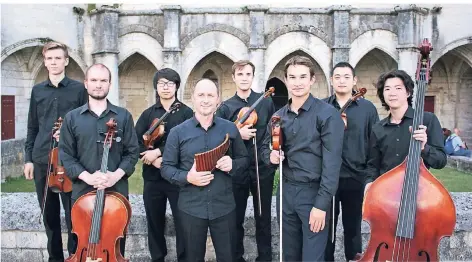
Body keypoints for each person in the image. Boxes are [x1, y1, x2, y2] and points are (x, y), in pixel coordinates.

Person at [261, 55, 345, 261]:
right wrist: (270, 156)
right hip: (286, 192)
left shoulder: (327, 114)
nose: (297, 83)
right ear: (286, 80)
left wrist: (321, 205)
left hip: (314, 193)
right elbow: (264, 148)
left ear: (312, 80)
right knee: (289, 255)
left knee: (313, 257)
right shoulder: (278, 116)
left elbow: (332, 165)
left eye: (302, 77)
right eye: (292, 77)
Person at [161, 78, 249, 262]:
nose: (206, 100)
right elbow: (166, 168)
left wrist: (233, 164)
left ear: (218, 99)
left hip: (224, 207)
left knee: (228, 258)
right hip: (191, 208)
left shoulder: (230, 128)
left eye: (210, 95)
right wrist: (187, 177)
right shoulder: (178, 132)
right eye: (201, 95)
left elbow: (244, 160)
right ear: (192, 98)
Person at [59, 63, 139, 257]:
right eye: (93, 80)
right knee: (81, 243)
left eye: (103, 80)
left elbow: (132, 152)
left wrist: (115, 176)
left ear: (109, 84)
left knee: (115, 245)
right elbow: (66, 156)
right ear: (86, 84)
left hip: (116, 195)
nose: (98, 84)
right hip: (82, 195)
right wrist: (88, 177)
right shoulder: (71, 118)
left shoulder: (124, 116)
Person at [23, 41, 88, 262]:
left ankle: (74, 256)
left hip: (70, 161)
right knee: (49, 217)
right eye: (49, 58)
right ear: (45, 61)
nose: (53, 62)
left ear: (66, 61)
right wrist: (28, 159)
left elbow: (86, 124)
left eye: (58, 58)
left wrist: (69, 135)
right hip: (42, 159)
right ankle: (55, 259)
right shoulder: (37, 90)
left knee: (74, 217)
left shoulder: (79, 89)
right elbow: (32, 126)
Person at [215, 60, 276, 262]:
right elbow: (219, 139)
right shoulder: (225, 107)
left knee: (263, 217)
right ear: (234, 77)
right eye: (240, 74)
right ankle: (237, 258)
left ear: (253, 76)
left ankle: (265, 257)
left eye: (248, 74)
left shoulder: (265, 101)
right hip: (236, 168)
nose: (244, 78)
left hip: (261, 167)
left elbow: (272, 129)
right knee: (235, 218)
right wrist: (236, 132)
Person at [135, 68, 194, 262]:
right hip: (153, 179)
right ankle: (157, 258)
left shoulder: (186, 113)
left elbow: (188, 144)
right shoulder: (147, 114)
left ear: (177, 86)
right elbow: (135, 143)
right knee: (154, 222)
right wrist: (152, 158)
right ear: (156, 87)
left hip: (177, 178)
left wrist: (158, 154)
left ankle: (184, 258)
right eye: (161, 83)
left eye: (170, 83)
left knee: (183, 222)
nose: (166, 87)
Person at [322, 62, 379, 262]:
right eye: (337, 76)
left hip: (356, 176)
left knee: (353, 228)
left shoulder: (367, 108)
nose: (342, 80)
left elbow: (374, 144)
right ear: (331, 80)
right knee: (326, 228)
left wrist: (370, 177)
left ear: (354, 80)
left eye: (346, 76)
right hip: (327, 177)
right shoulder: (322, 107)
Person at [364, 69, 447, 194]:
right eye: (387, 89)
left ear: (408, 92)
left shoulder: (427, 120)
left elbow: (440, 161)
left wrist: (424, 148)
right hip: (386, 194)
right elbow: (373, 165)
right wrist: (369, 182)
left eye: (398, 88)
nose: (392, 93)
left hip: (419, 194)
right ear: (383, 95)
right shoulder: (378, 128)